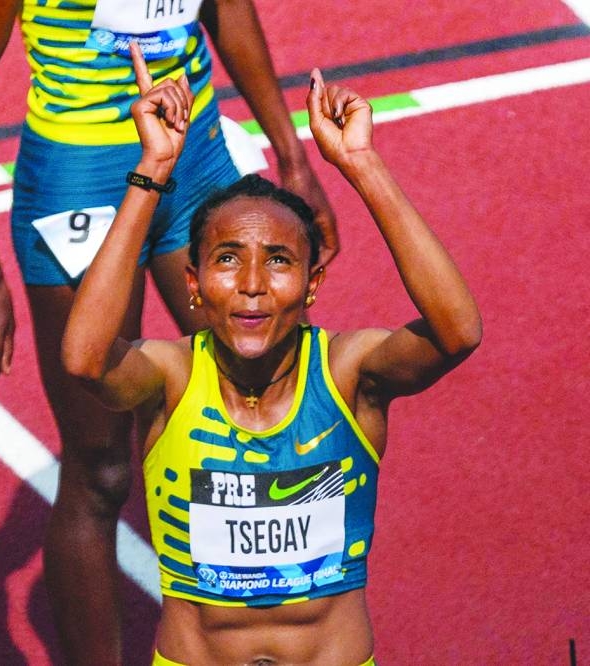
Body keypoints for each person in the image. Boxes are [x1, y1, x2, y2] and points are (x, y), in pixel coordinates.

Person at [0, 1, 337, 661]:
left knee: (274, 415)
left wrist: (292, 159)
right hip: (80, 178)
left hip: (199, 155)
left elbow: (227, 8)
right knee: (101, 467)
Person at [62, 43, 482, 665]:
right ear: (194, 285)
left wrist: (360, 163)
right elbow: (85, 359)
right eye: (228, 259)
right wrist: (153, 169)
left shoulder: (347, 375)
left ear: (312, 283)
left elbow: (457, 332)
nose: (253, 284)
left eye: (279, 260)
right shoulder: (173, 377)